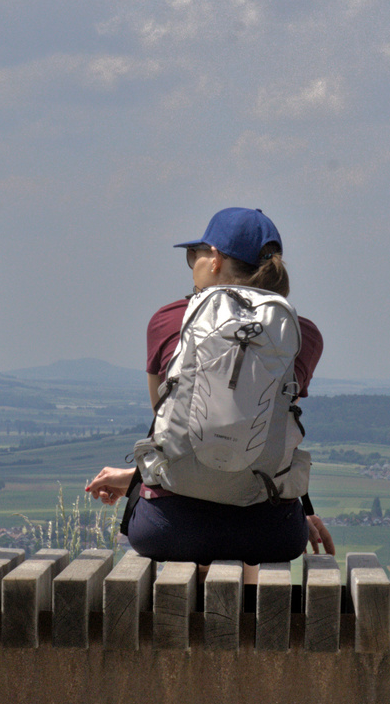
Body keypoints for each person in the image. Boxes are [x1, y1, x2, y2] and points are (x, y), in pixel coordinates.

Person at [84, 207, 335, 563]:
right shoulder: (302, 335)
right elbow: (262, 427)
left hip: (167, 528)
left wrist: (136, 480)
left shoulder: (169, 320)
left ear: (215, 259)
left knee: (195, 531)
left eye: (194, 254)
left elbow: (168, 420)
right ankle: (244, 617)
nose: (193, 264)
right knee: (248, 541)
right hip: (271, 532)